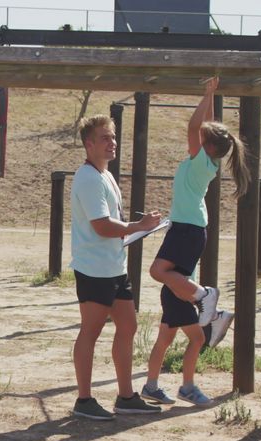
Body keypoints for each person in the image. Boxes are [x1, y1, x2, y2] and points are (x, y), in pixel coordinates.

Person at [143, 78, 245, 407]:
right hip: (188, 230)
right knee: (176, 336)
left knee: (158, 273)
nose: (197, 135)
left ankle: (205, 296)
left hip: (187, 229)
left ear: (207, 145)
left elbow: (195, 125)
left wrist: (205, 93)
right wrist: (213, 94)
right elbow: (206, 127)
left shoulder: (202, 160)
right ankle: (163, 385)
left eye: (203, 136)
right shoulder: (205, 161)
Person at [69, 115, 163, 420]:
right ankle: (84, 400)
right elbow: (101, 226)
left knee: (128, 326)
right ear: (89, 143)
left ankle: (126, 396)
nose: (112, 143)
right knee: (91, 331)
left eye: (113, 137)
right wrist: (139, 225)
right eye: (105, 138)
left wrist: (140, 227)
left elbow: (112, 223)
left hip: (114, 267)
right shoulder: (87, 177)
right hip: (94, 269)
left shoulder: (105, 175)